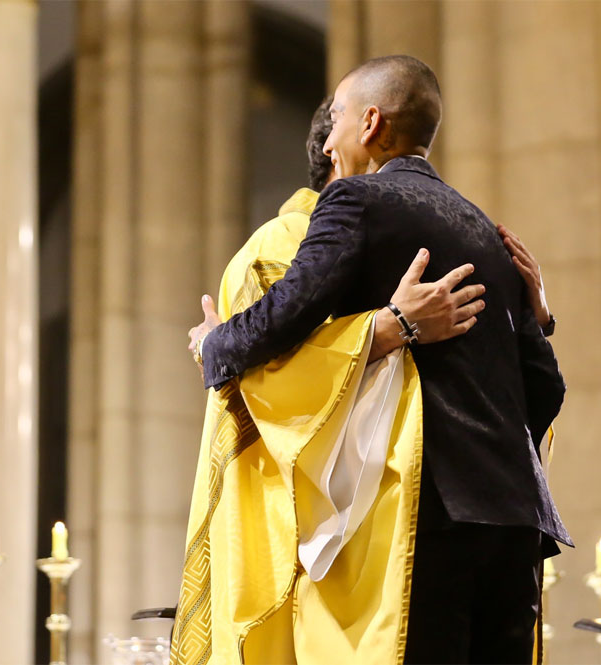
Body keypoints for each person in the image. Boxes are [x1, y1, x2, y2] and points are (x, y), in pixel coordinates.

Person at [191, 56, 571, 664]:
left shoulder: (355, 202)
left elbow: (278, 321)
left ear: (370, 122)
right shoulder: (489, 233)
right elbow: (544, 392)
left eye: (336, 116)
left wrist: (215, 343)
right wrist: (541, 317)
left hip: (428, 512)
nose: (330, 135)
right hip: (517, 521)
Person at [171, 97, 489, 665]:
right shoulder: (280, 244)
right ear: (338, 148)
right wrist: (386, 328)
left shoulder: (411, 230)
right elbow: (258, 385)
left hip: (395, 511)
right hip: (309, 522)